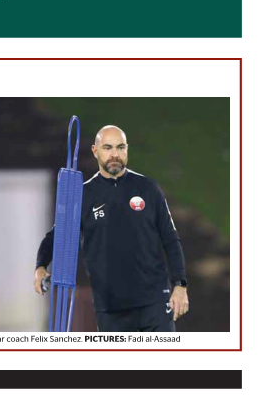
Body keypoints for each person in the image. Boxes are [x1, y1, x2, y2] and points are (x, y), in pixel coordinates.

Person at [33, 124, 189, 333]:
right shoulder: (82, 195)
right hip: (111, 310)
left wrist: (180, 285)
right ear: (95, 151)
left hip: (155, 305)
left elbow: (170, 239)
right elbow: (56, 236)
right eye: (108, 148)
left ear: (127, 150)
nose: (115, 154)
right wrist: (40, 266)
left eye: (120, 147)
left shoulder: (148, 188)